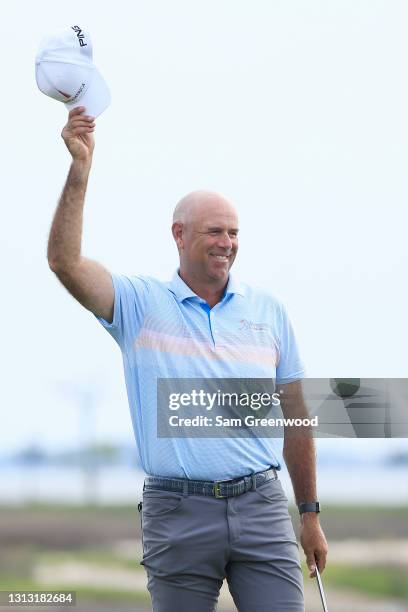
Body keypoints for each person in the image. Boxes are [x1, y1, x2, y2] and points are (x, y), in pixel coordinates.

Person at [48, 106, 328, 612]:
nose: (227, 244)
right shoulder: (139, 304)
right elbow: (65, 263)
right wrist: (79, 171)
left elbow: (296, 417)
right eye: (214, 232)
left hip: (262, 505)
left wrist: (309, 513)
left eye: (234, 233)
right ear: (179, 234)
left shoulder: (269, 311)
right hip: (177, 510)